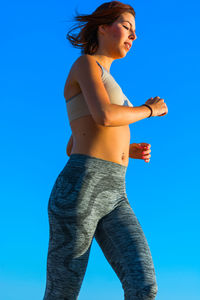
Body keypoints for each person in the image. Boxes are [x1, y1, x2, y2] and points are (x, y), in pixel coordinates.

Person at [43, 1, 168, 299]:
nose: (133, 36)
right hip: (81, 187)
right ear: (102, 27)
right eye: (126, 27)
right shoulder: (86, 65)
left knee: (144, 286)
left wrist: (125, 148)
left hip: (115, 192)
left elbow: (72, 142)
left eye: (135, 31)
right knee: (63, 292)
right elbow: (105, 116)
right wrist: (149, 109)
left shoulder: (113, 83)